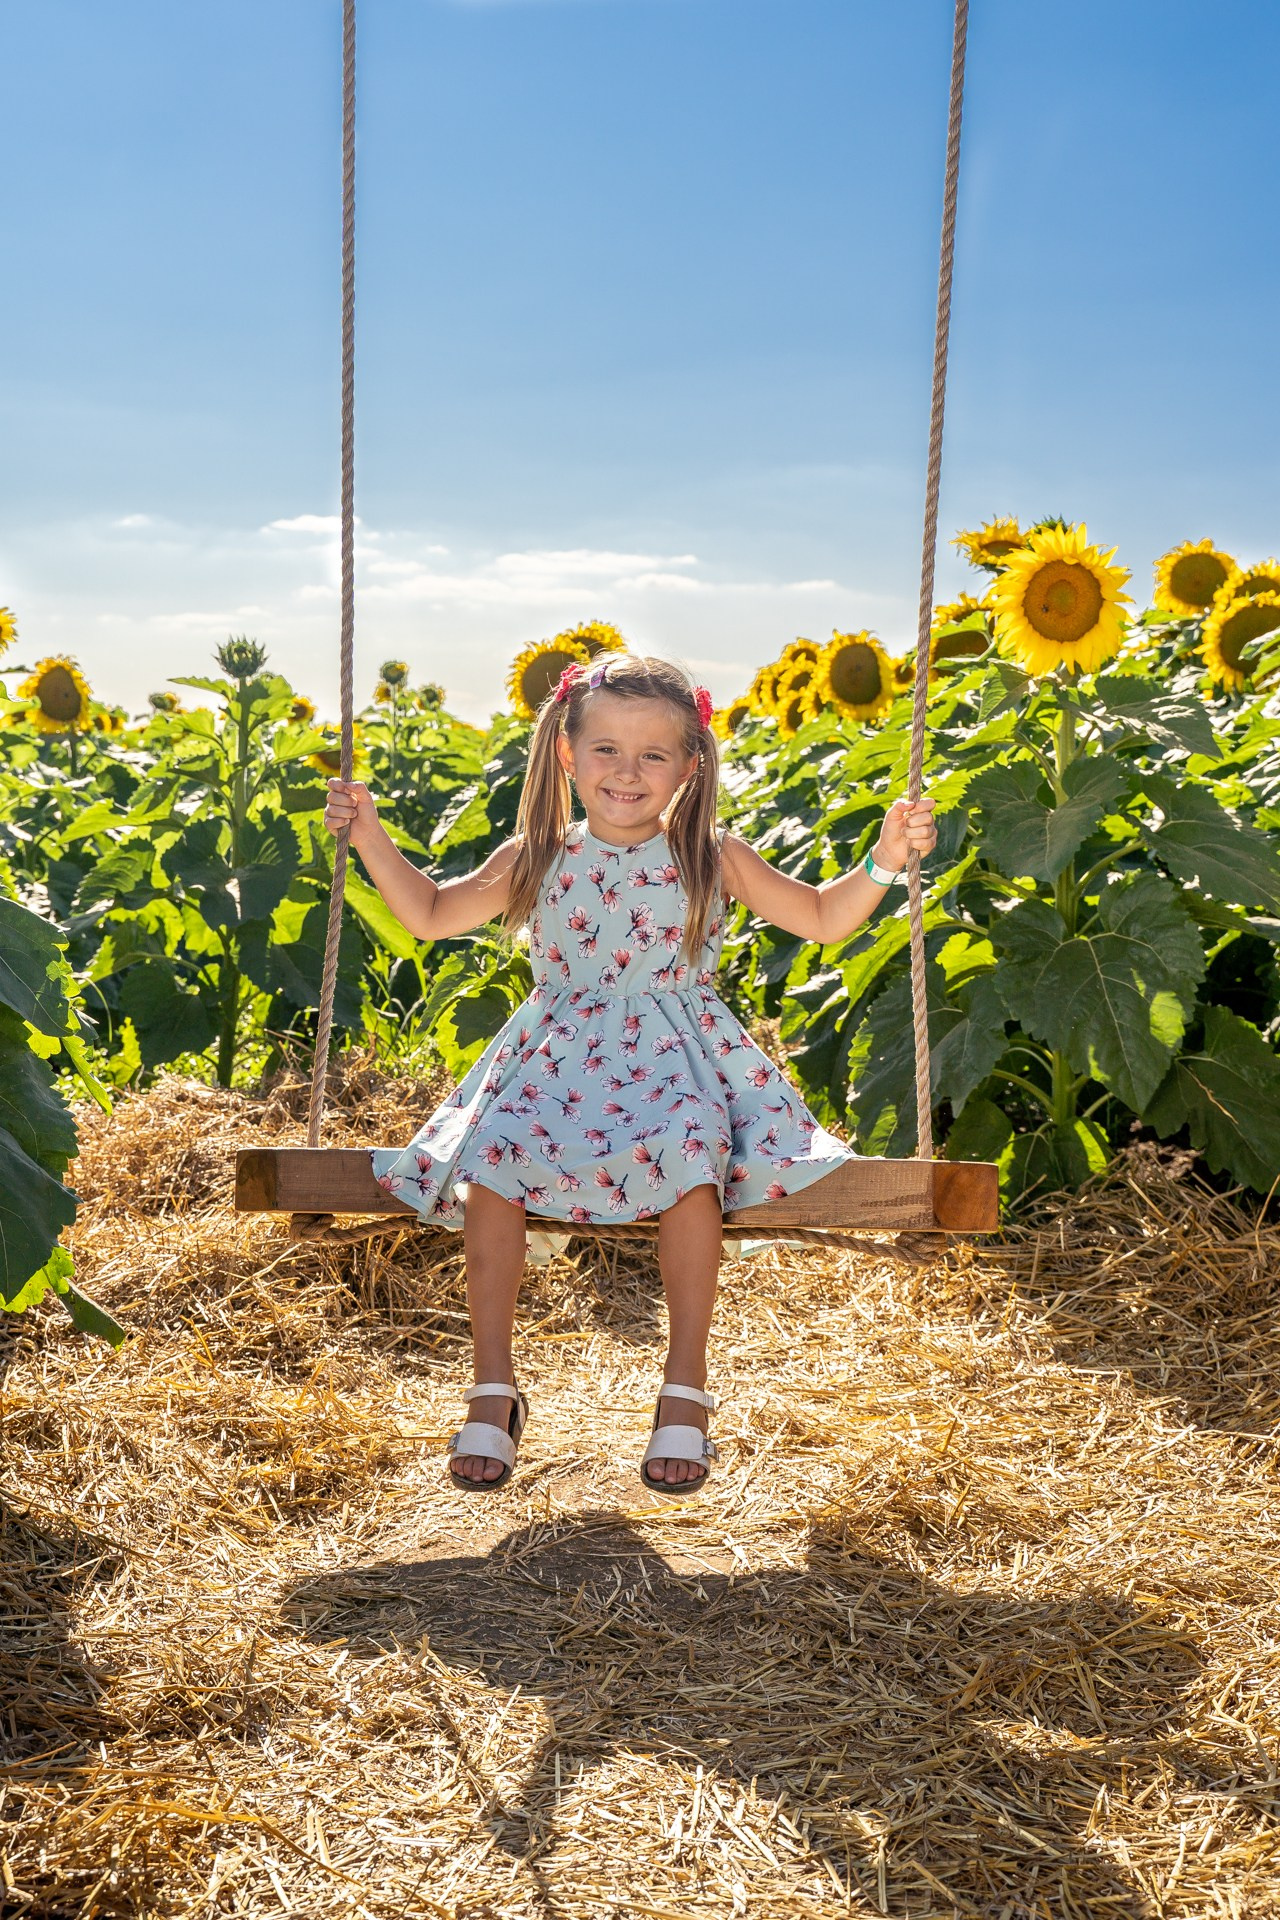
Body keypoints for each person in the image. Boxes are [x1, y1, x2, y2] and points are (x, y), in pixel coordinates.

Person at [323, 652, 937, 1499]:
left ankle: (685, 1385)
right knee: (492, 1158)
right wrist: (368, 835)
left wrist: (883, 858)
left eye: (654, 755)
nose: (627, 772)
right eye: (606, 749)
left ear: (691, 766)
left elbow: (824, 920)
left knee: (694, 1157)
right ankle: (492, 1386)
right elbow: (429, 915)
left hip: (676, 1059)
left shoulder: (711, 855)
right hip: (555, 1058)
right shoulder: (536, 854)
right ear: (567, 754)